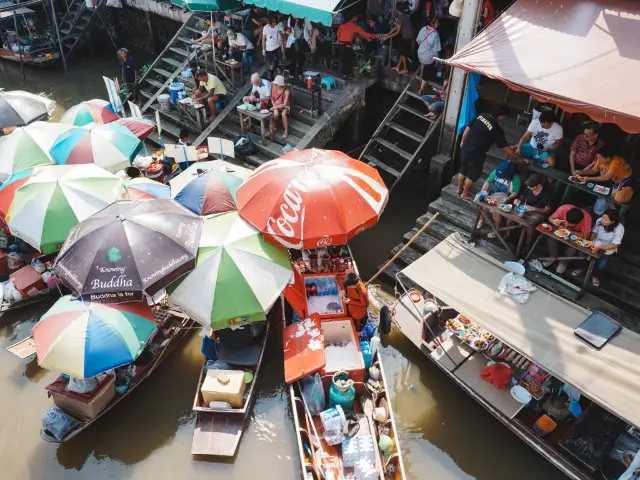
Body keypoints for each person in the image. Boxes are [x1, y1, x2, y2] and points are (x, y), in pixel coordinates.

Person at [458, 104, 516, 200]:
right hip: (477, 153)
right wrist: (516, 157)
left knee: (463, 169)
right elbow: (505, 148)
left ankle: (459, 189)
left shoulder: (481, 115)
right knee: (472, 174)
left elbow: (467, 128)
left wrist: (462, 141)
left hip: (466, 147)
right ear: (501, 116)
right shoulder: (496, 129)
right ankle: (464, 194)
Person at [570, 209, 624, 287]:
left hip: (608, 248)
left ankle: (595, 275)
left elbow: (615, 244)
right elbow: (594, 232)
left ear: (612, 222)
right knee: (581, 254)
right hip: (595, 243)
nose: (603, 220)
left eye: (606, 220)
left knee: (602, 263)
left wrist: (602, 247)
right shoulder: (599, 220)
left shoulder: (619, 228)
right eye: (603, 217)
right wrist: (589, 242)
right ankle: (581, 268)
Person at [544, 204, 592, 274]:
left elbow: (585, 236)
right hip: (560, 229)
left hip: (575, 235)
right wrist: (554, 222)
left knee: (575, 246)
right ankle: (552, 257)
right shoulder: (563, 209)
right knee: (551, 237)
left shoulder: (587, 218)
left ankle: (563, 263)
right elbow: (550, 218)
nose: (568, 224)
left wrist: (570, 231)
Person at [511, 174, 554, 248]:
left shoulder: (548, 194)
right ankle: (509, 234)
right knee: (511, 214)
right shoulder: (528, 188)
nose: (528, 187)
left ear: (539, 185)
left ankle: (528, 243)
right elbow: (522, 197)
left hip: (539, 212)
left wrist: (534, 209)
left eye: (531, 186)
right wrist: (517, 200)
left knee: (530, 223)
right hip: (525, 207)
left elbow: (547, 211)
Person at [476, 160, 521, 231]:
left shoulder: (515, 178)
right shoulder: (496, 171)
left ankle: (497, 229)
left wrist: (508, 198)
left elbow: (515, 192)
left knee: (496, 212)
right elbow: (487, 182)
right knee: (484, 207)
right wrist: (483, 190)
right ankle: (481, 220)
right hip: (493, 194)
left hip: (505, 198)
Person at [383, 2, 414, 75]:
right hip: (406, 37)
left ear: (397, 9)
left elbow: (397, 32)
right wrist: (388, 33)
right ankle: (397, 67)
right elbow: (396, 27)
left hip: (407, 38)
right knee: (402, 52)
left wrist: (387, 37)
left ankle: (405, 69)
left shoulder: (401, 17)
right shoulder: (403, 16)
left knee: (403, 54)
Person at [416, 17, 441, 93]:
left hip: (420, 52)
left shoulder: (423, 29)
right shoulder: (435, 35)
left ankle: (421, 72)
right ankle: (421, 89)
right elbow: (436, 50)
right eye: (437, 23)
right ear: (434, 24)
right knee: (427, 72)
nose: (439, 24)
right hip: (428, 56)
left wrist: (423, 47)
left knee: (424, 64)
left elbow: (418, 40)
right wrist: (437, 61)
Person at [262, 15, 285, 80]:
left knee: (279, 60)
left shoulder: (278, 26)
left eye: (275, 22)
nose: (274, 23)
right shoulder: (266, 28)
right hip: (269, 48)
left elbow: (281, 36)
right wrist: (263, 49)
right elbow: (263, 39)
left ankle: (279, 71)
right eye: (273, 22)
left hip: (277, 45)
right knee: (271, 63)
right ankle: (271, 78)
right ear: (270, 22)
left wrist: (282, 46)